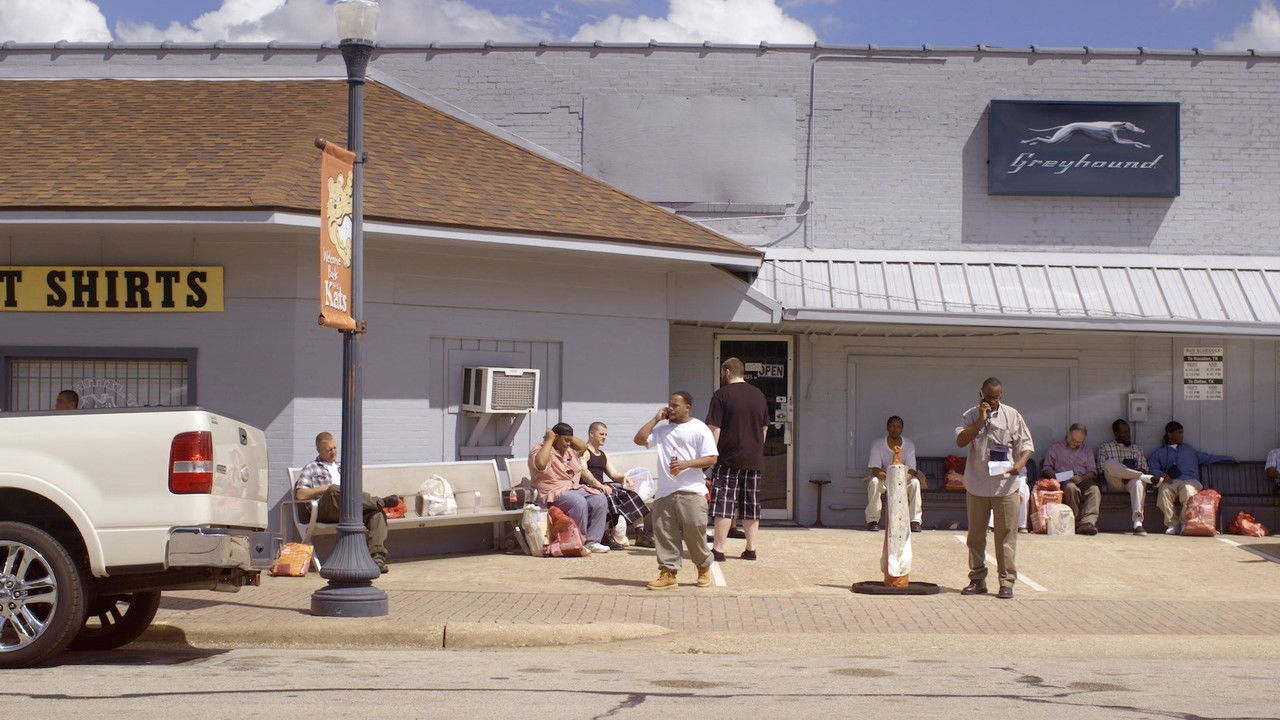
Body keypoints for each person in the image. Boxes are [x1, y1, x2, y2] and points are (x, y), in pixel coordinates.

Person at [955, 377, 1033, 600]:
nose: (993, 401)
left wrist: (1019, 465)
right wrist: (980, 419)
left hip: (1005, 486)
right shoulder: (970, 415)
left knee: (1006, 536)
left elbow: (1026, 445)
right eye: (989, 397)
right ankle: (977, 579)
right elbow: (961, 441)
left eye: (996, 398)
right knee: (976, 537)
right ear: (981, 394)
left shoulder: (1012, 415)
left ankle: (1006, 582)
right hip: (977, 484)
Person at [634, 391, 718, 590]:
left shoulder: (699, 428)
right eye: (669, 404)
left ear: (687, 407)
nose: (671, 408)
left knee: (694, 532)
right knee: (665, 534)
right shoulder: (662, 430)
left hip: (691, 490)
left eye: (675, 405)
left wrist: (686, 464)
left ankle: (703, 567)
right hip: (665, 492)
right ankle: (668, 573)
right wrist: (655, 419)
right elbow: (639, 439)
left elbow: (712, 458)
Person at [293, 431, 398, 573]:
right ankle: (379, 501)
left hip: (347, 508)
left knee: (377, 514)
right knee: (334, 490)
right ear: (319, 450)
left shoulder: (343, 467)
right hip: (324, 510)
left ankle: (377, 560)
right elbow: (300, 494)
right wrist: (325, 488)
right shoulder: (312, 467)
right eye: (329, 449)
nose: (333, 452)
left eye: (335, 448)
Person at [706, 357, 770, 562]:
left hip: (728, 459)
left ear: (726, 372)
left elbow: (714, 429)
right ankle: (751, 550)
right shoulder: (759, 395)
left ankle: (719, 549)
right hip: (753, 459)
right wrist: (757, 449)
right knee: (751, 504)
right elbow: (764, 428)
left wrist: (710, 456)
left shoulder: (721, 395)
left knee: (724, 503)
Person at [530, 423, 611, 554]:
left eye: (570, 440)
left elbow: (583, 446)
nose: (569, 443)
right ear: (556, 437)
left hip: (572, 487)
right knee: (578, 501)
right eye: (565, 440)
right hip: (551, 491)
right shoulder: (539, 449)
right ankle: (577, 542)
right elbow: (540, 464)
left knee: (599, 498)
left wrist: (568, 438)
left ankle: (593, 542)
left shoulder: (569, 450)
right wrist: (550, 439)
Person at [1147, 421, 1236, 535]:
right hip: (1172, 481)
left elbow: (1209, 458)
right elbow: (1152, 467)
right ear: (1170, 434)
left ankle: (1185, 522)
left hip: (1190, 480)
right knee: (1164, 491)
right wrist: (1161, 474)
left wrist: (1229, 459)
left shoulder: (1189, 450)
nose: (1182, 435)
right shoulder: (1160, 452)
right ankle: (1172, 525)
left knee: (1188, 492)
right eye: (1179, 433)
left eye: (1182, 432)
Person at [580, 421, 651, 550]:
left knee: (630, 495)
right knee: (609, 495)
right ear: (591, 433)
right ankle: (604, 535)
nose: (604, 437)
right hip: (588, 487)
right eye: (601, 434)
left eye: (606, 434)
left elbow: (613, 474)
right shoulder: (584, 451)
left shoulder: (603, 454)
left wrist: (624, 478)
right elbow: (583, 472)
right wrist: (599, 485)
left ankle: (640, 534)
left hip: (602, 486)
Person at [865, 415, 925, 533]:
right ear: (887, 427)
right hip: (884, 479)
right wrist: (891, 478)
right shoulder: (877, 444)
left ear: (902, 429)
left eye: (898, 426)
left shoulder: (909, 444)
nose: (895, 429)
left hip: (903, 480)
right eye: (892, 426)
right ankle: (872, 520)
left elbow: (912, 470)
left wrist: (901, 479)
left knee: (915, 483)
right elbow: (875, 469)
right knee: (874, 482)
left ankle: (915, 521)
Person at [1096, 419, 1156, 536]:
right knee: (1110, 463)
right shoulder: (1105, 447)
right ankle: (1144, 477)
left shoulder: (1136, 449)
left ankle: (1138, 523)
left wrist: (1129, 476)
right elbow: (1101, 469)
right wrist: (1123, 474)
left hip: (1131, 483)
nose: (1128, 435)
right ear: (1116, 434)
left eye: (1128, 431)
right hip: (1114, 483)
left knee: (1138, 483)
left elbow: (1143, 467)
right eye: (1125, 432)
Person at [1043, 423, 1101, 535]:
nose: (1075, 443)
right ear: (1068, 434)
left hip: (1083, 479)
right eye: (1073, 440)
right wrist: (1061, 476)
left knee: (1094, 490)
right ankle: (1075, 522)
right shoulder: (1055, 448)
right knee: (1070, 488)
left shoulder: (1086, 450)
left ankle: (1088, 523)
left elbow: (1093, 471)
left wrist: (1082, 477)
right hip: (1063, 479)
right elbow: (1046, 469)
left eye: (1079, 442)